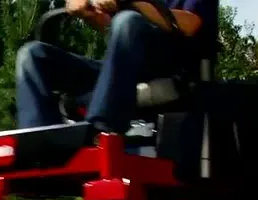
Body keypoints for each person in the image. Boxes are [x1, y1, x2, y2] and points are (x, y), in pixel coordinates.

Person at [16, 0, 218, 134]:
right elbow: (110, 28)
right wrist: (88, 12)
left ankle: (101, 130)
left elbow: (192, 23)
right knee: (32, 55)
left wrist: (130, 4)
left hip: (172, 68)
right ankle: (41, 146)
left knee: (127, 19)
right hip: (121, 67)